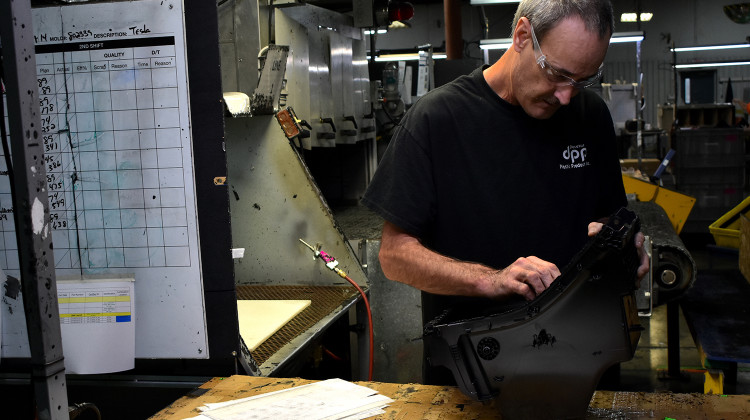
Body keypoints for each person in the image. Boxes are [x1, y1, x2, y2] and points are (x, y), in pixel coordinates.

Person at [361, 0, 650, 382]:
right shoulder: (437, 121)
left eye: (582, 81)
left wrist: (623, 245)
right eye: (558, 74)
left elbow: (608, 216)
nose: (566, 96)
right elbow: (394, 255)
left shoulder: (590, 116)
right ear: (522, 36)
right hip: (476, 372)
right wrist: (491, 280)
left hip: (583, 365)